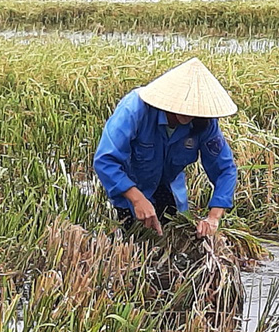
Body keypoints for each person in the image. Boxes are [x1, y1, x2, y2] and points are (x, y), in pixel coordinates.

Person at [94, 58, 238, 238]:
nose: (190, 113)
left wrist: (214, 217)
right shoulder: (135, 109)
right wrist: (138, 199)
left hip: (169, 191)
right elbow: (105, 160)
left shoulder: (205, 122)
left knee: (170, 242)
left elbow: (225, 169)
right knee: (130, 245)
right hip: (128, 192)